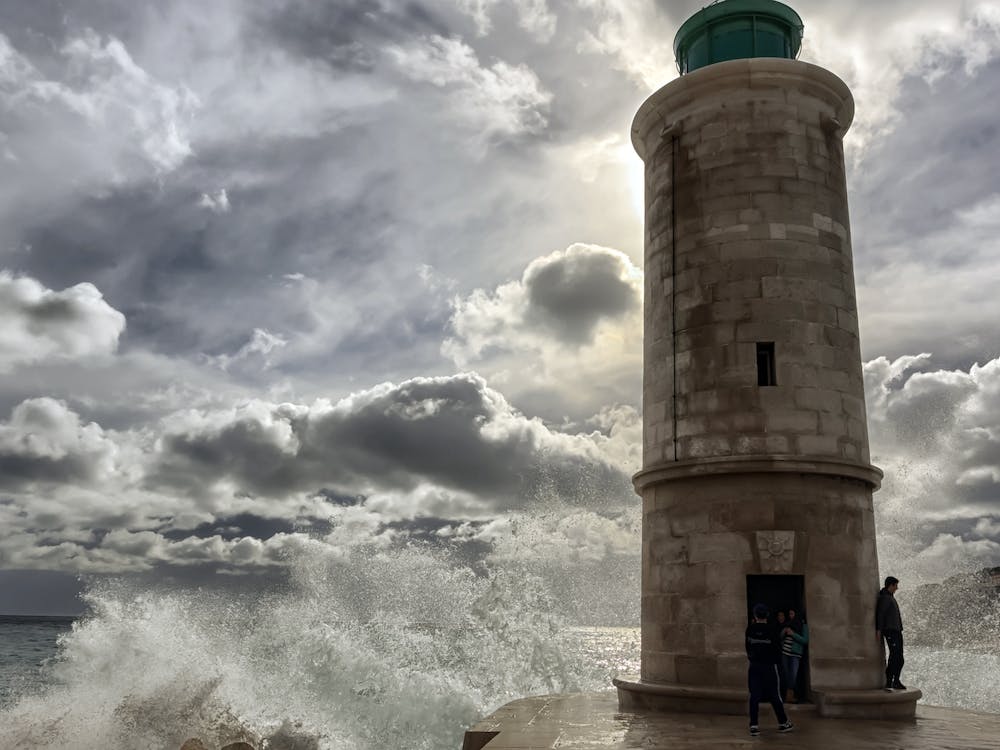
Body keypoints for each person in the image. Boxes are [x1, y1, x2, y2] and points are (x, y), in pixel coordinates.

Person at [745, 603, 794, 737]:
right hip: (769, 666)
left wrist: (752, 658)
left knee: (754, 695)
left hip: (754, 665)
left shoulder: (750, 629)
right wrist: (777, 663)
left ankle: (754, 725)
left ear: (755, 615)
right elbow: (777, 650)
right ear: (767, 615)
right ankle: (783, 723)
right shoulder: (772, 630)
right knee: (774, 695)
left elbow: (747, 647)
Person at [876, 576, 906, 690]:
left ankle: (896, 681)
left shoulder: (889, 597)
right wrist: (879, 630)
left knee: (899, 658)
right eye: (896, 585)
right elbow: (880, 614)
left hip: (896, 631)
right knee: (894, 657)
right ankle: (890, 681)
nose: (897, 588)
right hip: (890, 631)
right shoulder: (885, 598)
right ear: (891, 585)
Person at [781, 608, 808, 703]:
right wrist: (784, 632)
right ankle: (786, 695)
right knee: (785, 674)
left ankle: (790, 696)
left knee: (793, 675)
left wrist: (793, 634)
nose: (790, 616)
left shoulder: (803, 626)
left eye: (792, 614)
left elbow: (805, 640)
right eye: (790, 614)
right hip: (785, 652)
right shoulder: (788, 624)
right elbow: (780, 637)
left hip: (795, 654)